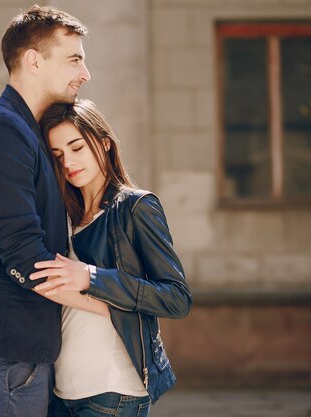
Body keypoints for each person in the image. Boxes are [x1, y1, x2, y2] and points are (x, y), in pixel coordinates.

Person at [0, 5, 91, 417]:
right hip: (8, 353)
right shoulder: (2, 130)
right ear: (33, 60)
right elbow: (27, 259)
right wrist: (118, 306)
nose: (84, 73)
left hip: (20, 350)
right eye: (74, 59)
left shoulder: (27, 130)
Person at [32, 99, 193, 417]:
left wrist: (92, 277)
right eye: (58, 155)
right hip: (62, 391)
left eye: (77, 147)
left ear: (105, 143)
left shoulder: (136, 207)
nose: (69, 162)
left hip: (112, 394)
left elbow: (177, 298)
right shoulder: (67, 216)